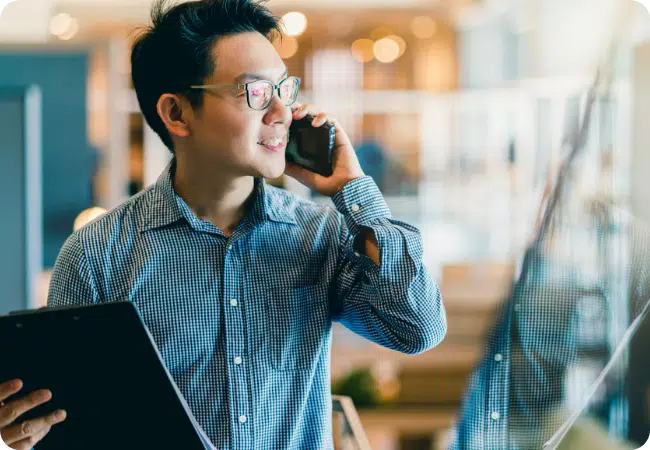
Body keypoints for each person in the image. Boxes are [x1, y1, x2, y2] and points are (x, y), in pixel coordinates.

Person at [0, 1, 447, 448]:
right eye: (254, 93)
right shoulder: (98, 254)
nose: (281, 113)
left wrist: (354, 190)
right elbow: (69, 422)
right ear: (176, 113)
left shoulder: (320, 234)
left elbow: (417, 329)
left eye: (284, 91)